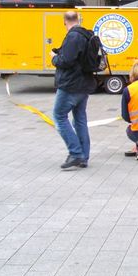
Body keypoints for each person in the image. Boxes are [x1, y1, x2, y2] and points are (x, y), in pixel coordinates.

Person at [50, 11, 94, 170]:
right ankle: (84, 156)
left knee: (59, 116)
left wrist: (53, 58)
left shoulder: (73, 36)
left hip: (71, 85)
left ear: (64, 21)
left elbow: (66, 61)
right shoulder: (86, 35)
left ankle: (76, 153)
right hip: (85, 84)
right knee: (80, 119)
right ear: (78, 19)